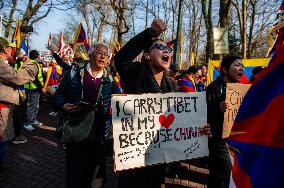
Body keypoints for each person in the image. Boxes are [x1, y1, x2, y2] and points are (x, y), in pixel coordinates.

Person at [114, 19, 211, 188]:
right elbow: (121, 58)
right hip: (134, 158)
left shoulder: (173, 87)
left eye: (169, 49)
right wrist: (151, 32)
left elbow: (183, 121)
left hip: (158, 159)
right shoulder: (135, 73)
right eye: (161, 47)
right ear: (146, 55)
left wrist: (199, 130)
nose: (167, 51)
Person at [55, 43, 121, 188]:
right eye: (99, 53)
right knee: (75, 170)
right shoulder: (73, 72)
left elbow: (122, 99)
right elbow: (59, 94)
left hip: (99, 131)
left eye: (106, 54)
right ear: (91, 56)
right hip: (76, 128)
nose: (103, 56)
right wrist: (63, 105)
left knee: (97, 173)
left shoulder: (109, 79)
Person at [206, 55, 244, 188]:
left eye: (242, 66)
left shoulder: (240, 89)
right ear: (225, 70)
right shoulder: (213, 87)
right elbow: (201, 113)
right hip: (217, 140)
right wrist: (217, 107)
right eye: (237, 65)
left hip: (234, 140)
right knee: (223, 173)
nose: (242, 68)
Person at [0, 37, 38, 167]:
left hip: (5, 108)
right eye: (10, 47)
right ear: (5, 49)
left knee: (5, 138)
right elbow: (17, 77)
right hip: (1, 109)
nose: (13, 50)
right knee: (3, 140)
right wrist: (30, 63)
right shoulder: (0, 64)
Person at [23, 50, 44, 131]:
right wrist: (41, 87)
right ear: (37, 56)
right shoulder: (34, 64)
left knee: (35, 106)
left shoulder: (27, 63)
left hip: (29, 87)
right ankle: (28, 123)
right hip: (34, 88)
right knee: (32, 106)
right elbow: (35, 78)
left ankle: (33, 120)